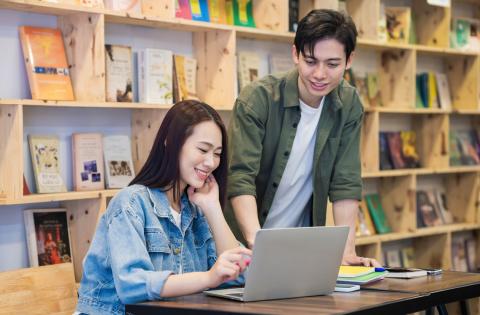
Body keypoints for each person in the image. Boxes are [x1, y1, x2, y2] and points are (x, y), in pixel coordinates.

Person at [226, 9, 380, 267]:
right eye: (311, 61)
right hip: (241, 246)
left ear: (349, 60)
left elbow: (345, 182)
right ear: (295, 53)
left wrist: (346, 252)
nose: (320, 74)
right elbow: (240, 177)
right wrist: (256, 242)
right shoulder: (258, 99)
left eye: (332, 64)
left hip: (300, 249)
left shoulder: (349, 103)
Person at [75, 100, 252, 315]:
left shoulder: (195, 209)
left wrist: (213, 209)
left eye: (217, 153)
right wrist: (208, 277)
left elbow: (241, 275)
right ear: (171, 141)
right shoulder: (130, 203)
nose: (211, 162)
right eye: (203, 149)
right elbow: (133, 286)